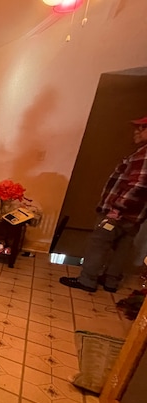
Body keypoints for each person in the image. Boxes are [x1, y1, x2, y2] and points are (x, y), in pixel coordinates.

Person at [60, 115, 147, 293]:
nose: (136, 131)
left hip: (118, 213)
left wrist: (117, 208)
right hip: (135, 217)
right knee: (123, 246)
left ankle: (87, 280)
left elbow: (138, 185)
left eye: (142, 128)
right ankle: (111, 282)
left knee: (99, 243)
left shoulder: (144, 155)